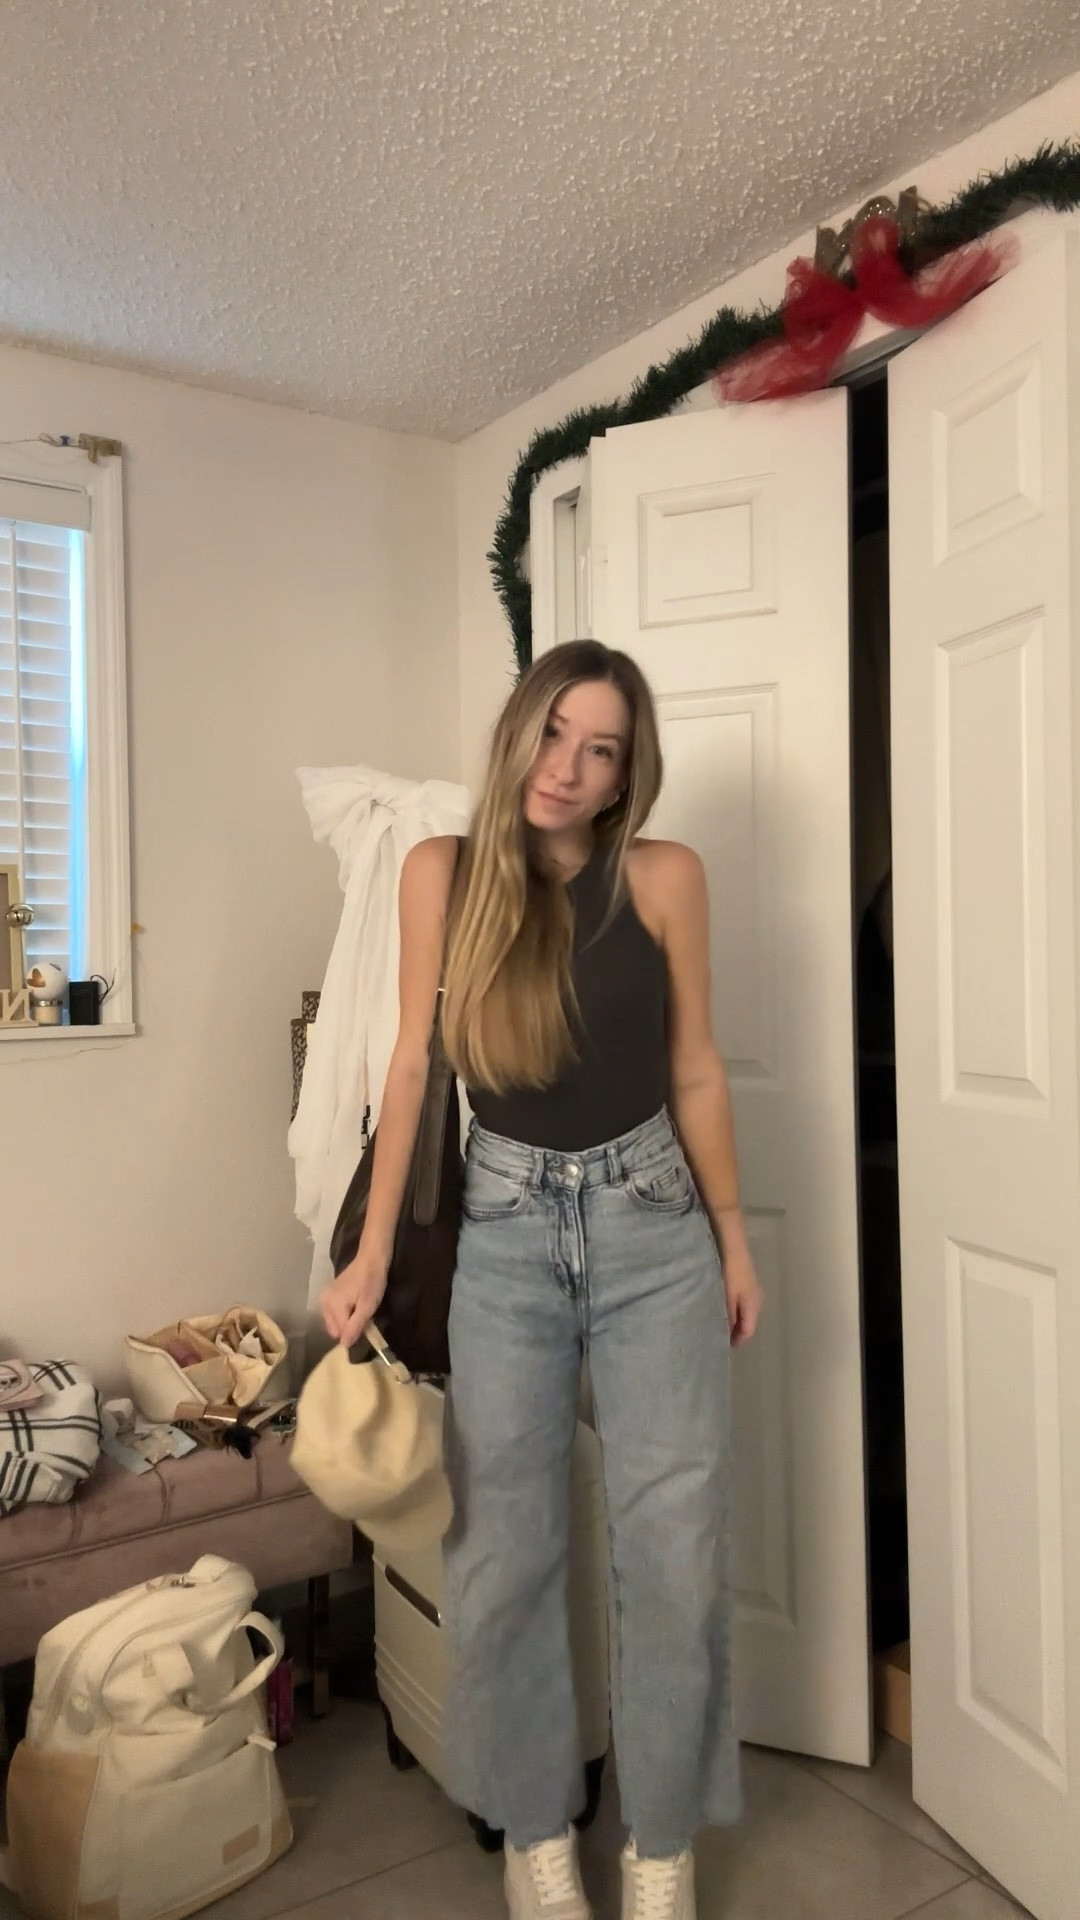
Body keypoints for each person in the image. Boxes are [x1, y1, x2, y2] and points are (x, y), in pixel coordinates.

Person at [321, 639, 762, 1920]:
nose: (567, 768)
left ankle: (661, 1847)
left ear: (628, 774)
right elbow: (412, 1066)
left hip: (654, 1225)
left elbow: (696, 1067)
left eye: (600, 749)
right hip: (505, 1233)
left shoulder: (665, 877)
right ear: (519, 730)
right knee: (504, 1553)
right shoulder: (442, 871)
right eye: (555, 733)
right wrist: (370, 1254)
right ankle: (534, 1835)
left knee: (674, 1550)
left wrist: (734, 1239)